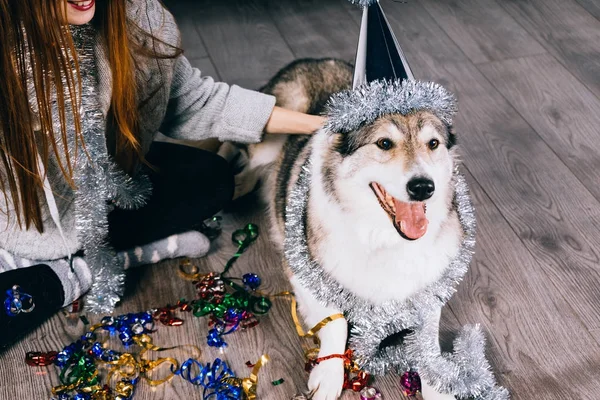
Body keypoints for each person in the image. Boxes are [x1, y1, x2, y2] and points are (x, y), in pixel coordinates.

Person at [0, 0, 324, 350]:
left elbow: (198, 101)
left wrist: (323, 125)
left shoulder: (136, 17)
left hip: (112, 190)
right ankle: (68, 271)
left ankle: (92, 259)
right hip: (28, 220)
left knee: (212, 179)